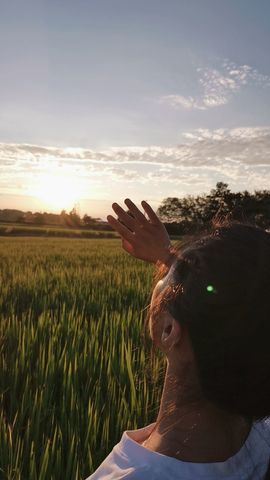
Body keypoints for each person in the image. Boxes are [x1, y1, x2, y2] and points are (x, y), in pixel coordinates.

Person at [87, 199, 270, 479]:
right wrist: (168, 257)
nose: (166, 270)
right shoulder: (259, 428)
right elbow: (249, 299)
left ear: (170, 331)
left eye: (174, 272)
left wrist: (175, 260)